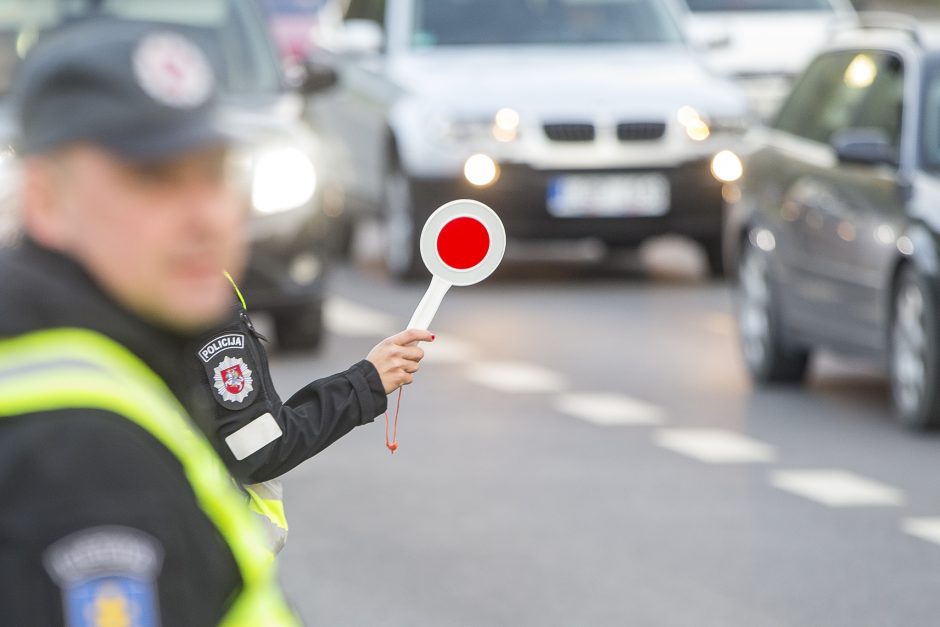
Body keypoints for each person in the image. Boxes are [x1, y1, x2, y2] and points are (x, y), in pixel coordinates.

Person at [0, 17, 429, 625]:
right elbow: (260, 448)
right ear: (45, 199)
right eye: (152, 181)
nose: (204, 216)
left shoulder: (113, 342)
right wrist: (364, 385)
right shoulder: (77, 447)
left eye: (215, 173)